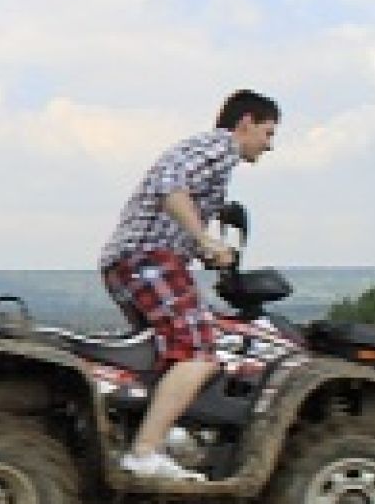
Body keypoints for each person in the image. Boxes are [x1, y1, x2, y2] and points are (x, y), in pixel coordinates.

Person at [98, 89, 280, 480]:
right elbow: (170, 186)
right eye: (268, 134)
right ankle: (145, 451)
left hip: (133, 260)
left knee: (162, 356)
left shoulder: (214, 160)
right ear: (245, 122)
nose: (268, 146)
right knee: (199, 353)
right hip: (148, 259)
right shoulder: (218, 148)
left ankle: (153, 436)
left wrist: (211, 254)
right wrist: (205, 238)